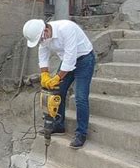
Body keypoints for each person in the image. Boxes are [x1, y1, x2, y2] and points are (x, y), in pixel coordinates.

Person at [23, 19, 95, 149]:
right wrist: (44, 73)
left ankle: (81, 133)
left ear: (45, 30)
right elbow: (43, 53)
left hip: (84, 60)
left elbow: (70, 57)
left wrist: (57, 78)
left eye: (40, 39)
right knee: (58, 92)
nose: (41, 42)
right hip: (67, 61)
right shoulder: (44, 38)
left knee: (80, 97)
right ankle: (58, 125)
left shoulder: (66, 28)